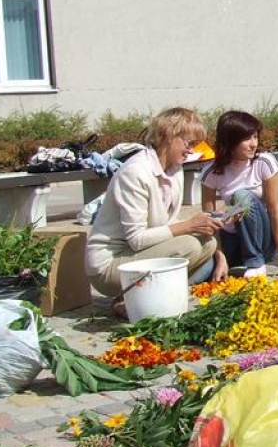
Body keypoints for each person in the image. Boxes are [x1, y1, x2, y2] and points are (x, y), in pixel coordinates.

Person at [85, 107, 220, 313]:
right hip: (109, 264)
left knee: (208, 244)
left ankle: (140, 298)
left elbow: (166, 224)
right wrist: (189, 225)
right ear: (168, 136)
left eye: (195, 144)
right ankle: (135, 298)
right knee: (190, 245)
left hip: (137, 254)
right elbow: (136, 239)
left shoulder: (176, 170)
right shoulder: (136, 173)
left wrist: (202, 226)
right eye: (189, 143)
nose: (191, 150)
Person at [201, 110, 278, 280]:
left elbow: (274, 210)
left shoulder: (264, 162)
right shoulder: (211, 171)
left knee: (242, 195)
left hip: (262, 240)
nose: (253, 144)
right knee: (203, 271)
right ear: (230, 141)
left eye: (255, 137)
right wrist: (220, 258)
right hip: (231, 240)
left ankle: (255, 262)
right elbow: (209, 220)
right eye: (246, 139)